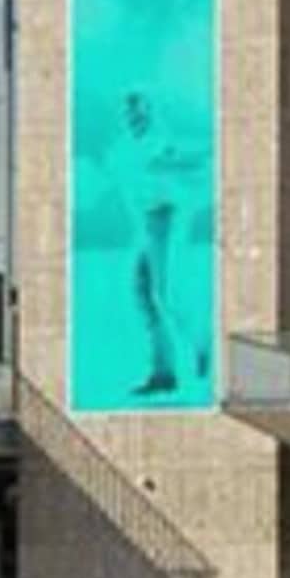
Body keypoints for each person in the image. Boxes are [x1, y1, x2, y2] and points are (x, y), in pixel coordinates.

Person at [109, 90, 210, 399]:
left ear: (149, 112)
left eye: (139, 112)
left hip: (162, 220)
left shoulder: (158, 140)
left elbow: (182, 162)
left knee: (162, 294)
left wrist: (186, 161)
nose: (134, 118)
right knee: (143, 295)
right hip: (144, 225)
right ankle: (163, 372)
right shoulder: (127, 146)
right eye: (129, 113)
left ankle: (202, 344)